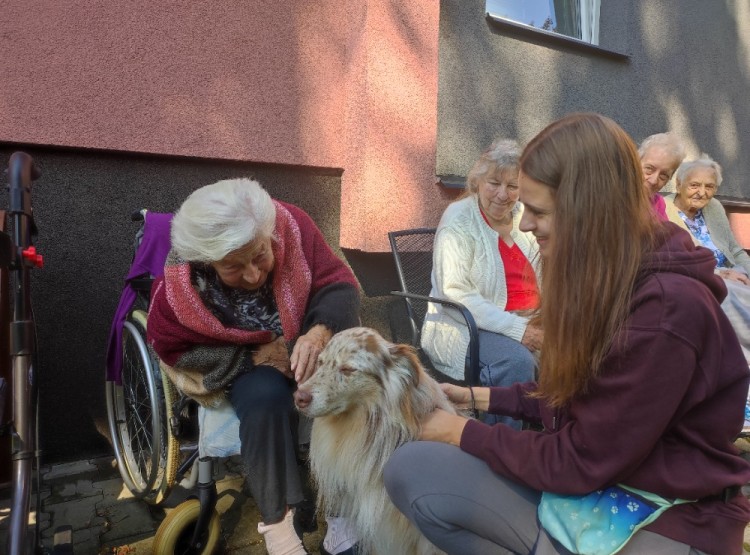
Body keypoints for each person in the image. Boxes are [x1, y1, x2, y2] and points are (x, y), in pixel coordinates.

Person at [384, 113, 750, 554]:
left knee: (419, 467)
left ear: (588, 210)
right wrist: (481, 398)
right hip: (609, 484)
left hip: (667, 512)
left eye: (536, 210)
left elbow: (581, 460)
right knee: (411, 469)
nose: (523, 224)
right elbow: (585, 399)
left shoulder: (664, 310)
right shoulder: (612, 276)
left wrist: (457, 432)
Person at [147, 178, 360, 555]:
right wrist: (248, 357)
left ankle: (342, 504)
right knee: (264, 399)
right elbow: (169, 345)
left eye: (260, 255)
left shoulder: (292, 226)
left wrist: (318, 332)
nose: (252, 274)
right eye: (232, 267)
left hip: (306, 340)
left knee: (349, 391)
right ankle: (278, 524)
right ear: (207, 262)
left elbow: (338, 283)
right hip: (244, 358)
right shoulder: (183, 283)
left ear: (268, 234)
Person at [420, 139, 541, 427]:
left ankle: (558, 447)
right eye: (494, 183)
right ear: (477, 181)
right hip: (468, 327)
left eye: (513, 186)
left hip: (528, 322)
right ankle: (501, 451)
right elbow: (455, 295)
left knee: (585, 350)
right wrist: (519, 330)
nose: (503, 194)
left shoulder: (523, 216)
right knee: (516, 363)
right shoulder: (459, 220)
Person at [664, 154, 750, 362]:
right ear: (678, 184)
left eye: (709, 187)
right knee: (728, 293)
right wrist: (720, 273)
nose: (702, 193)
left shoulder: (714, 208)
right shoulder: (664, 209)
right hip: (700, 277)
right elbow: (676, 260)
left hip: (733, 272)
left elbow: (735, 250)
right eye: (694, 185)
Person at [638, 132, 686, 221]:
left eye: (663, 175)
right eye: (649, 169)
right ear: (636, 162)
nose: (654, 181)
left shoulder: (659, 204)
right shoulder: (611, 195)